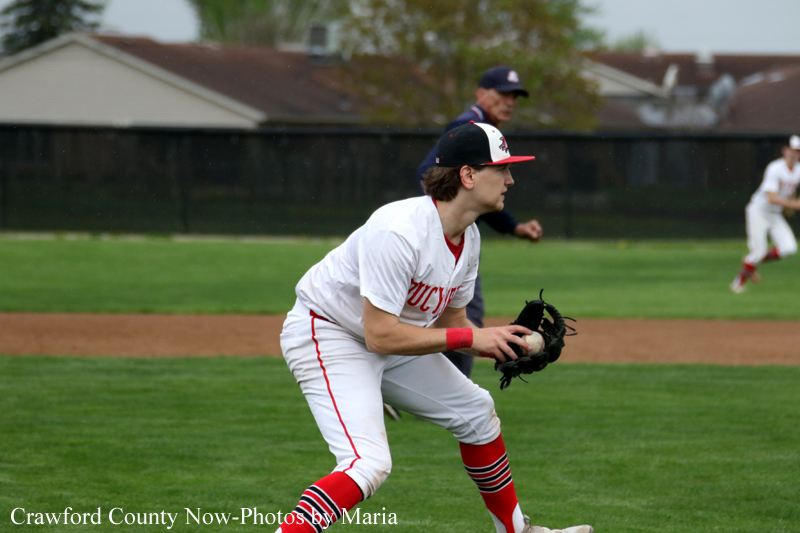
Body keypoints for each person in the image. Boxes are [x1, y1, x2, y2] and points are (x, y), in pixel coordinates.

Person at [276, 122, 593, 533]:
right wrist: (471, 338)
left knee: (478, 413)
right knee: (368, 463)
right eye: (501, 169)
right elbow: (379, 335)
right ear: (468, 175)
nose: (510, 180)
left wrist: (503, 343)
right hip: (330, 334)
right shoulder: (399, 231)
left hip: (390, 340)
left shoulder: (469, 236)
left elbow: (454, 324)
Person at [415, 65, 543, 378]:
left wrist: (511, 226)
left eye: (515, 96)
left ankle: (410, 379)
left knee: (437, 312)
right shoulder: (470, 127)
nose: (510, 101)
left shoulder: (483, 130)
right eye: (503, 93)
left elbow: (479, 193)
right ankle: (439, 386)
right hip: (438, 239)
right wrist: (442, 219)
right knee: (461, 314)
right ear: (481, 94)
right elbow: (429, 173)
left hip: (451, 236)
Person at [730, 135, 800, 293]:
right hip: (759, 211)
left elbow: (791, 190)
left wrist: (791, 202)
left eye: (799, 152)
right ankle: (738, 283)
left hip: (775, 214)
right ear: (785, 150)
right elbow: (771, 197)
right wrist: (794, 205)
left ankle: (752, 263)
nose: (796, 154)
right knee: (759, 252)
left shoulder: (798, 171)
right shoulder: (775, 168)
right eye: (794, 150)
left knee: (789, 248)